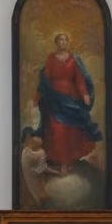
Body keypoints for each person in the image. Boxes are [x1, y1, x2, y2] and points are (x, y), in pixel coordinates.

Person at [33, 33, 103, 175]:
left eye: (65, 39)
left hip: (70, 99)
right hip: (54, 99)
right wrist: (38, 96)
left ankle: (68, 161)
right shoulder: (51, 59)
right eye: (60, 39)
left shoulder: (73, 59)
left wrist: (84, 95)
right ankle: (60, 162)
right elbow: (45, 79)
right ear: (56, 42)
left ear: (68, 42)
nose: (63, 42)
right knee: (57, 129)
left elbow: (79, 80)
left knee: (71, 130)